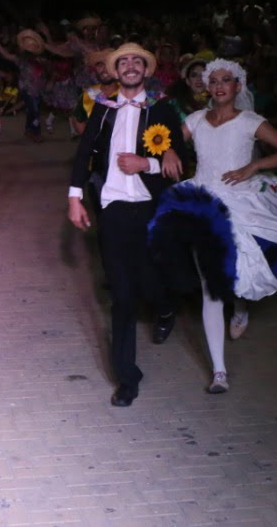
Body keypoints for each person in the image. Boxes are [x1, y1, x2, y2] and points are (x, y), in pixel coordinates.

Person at [147, 58, 277, 395]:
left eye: (226, 80)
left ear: (237, 86)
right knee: (210, 282)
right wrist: (169, 150)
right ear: (207, 86)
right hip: (201, 200)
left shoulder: (249, 121)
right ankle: (219, 372)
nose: (219, 86)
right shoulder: (196, 119)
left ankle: (242, 306)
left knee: (237, 267)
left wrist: (255, 166)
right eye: (213, 80)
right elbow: (166, 140)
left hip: (239, 200)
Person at [66, 43, 185, 407]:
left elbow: (183, 162)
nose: (130, 66)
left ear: (146, 71)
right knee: (122, 295)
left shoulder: (162, 109)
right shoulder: (104, 110)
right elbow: (84, 153)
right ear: (115, 72)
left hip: (151, 208)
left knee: (149, 280)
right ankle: (127, 378)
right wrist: (74, 197)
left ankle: (165, 308)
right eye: (123, 62)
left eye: (137, 62)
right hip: (114, 208)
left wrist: (146, 164)